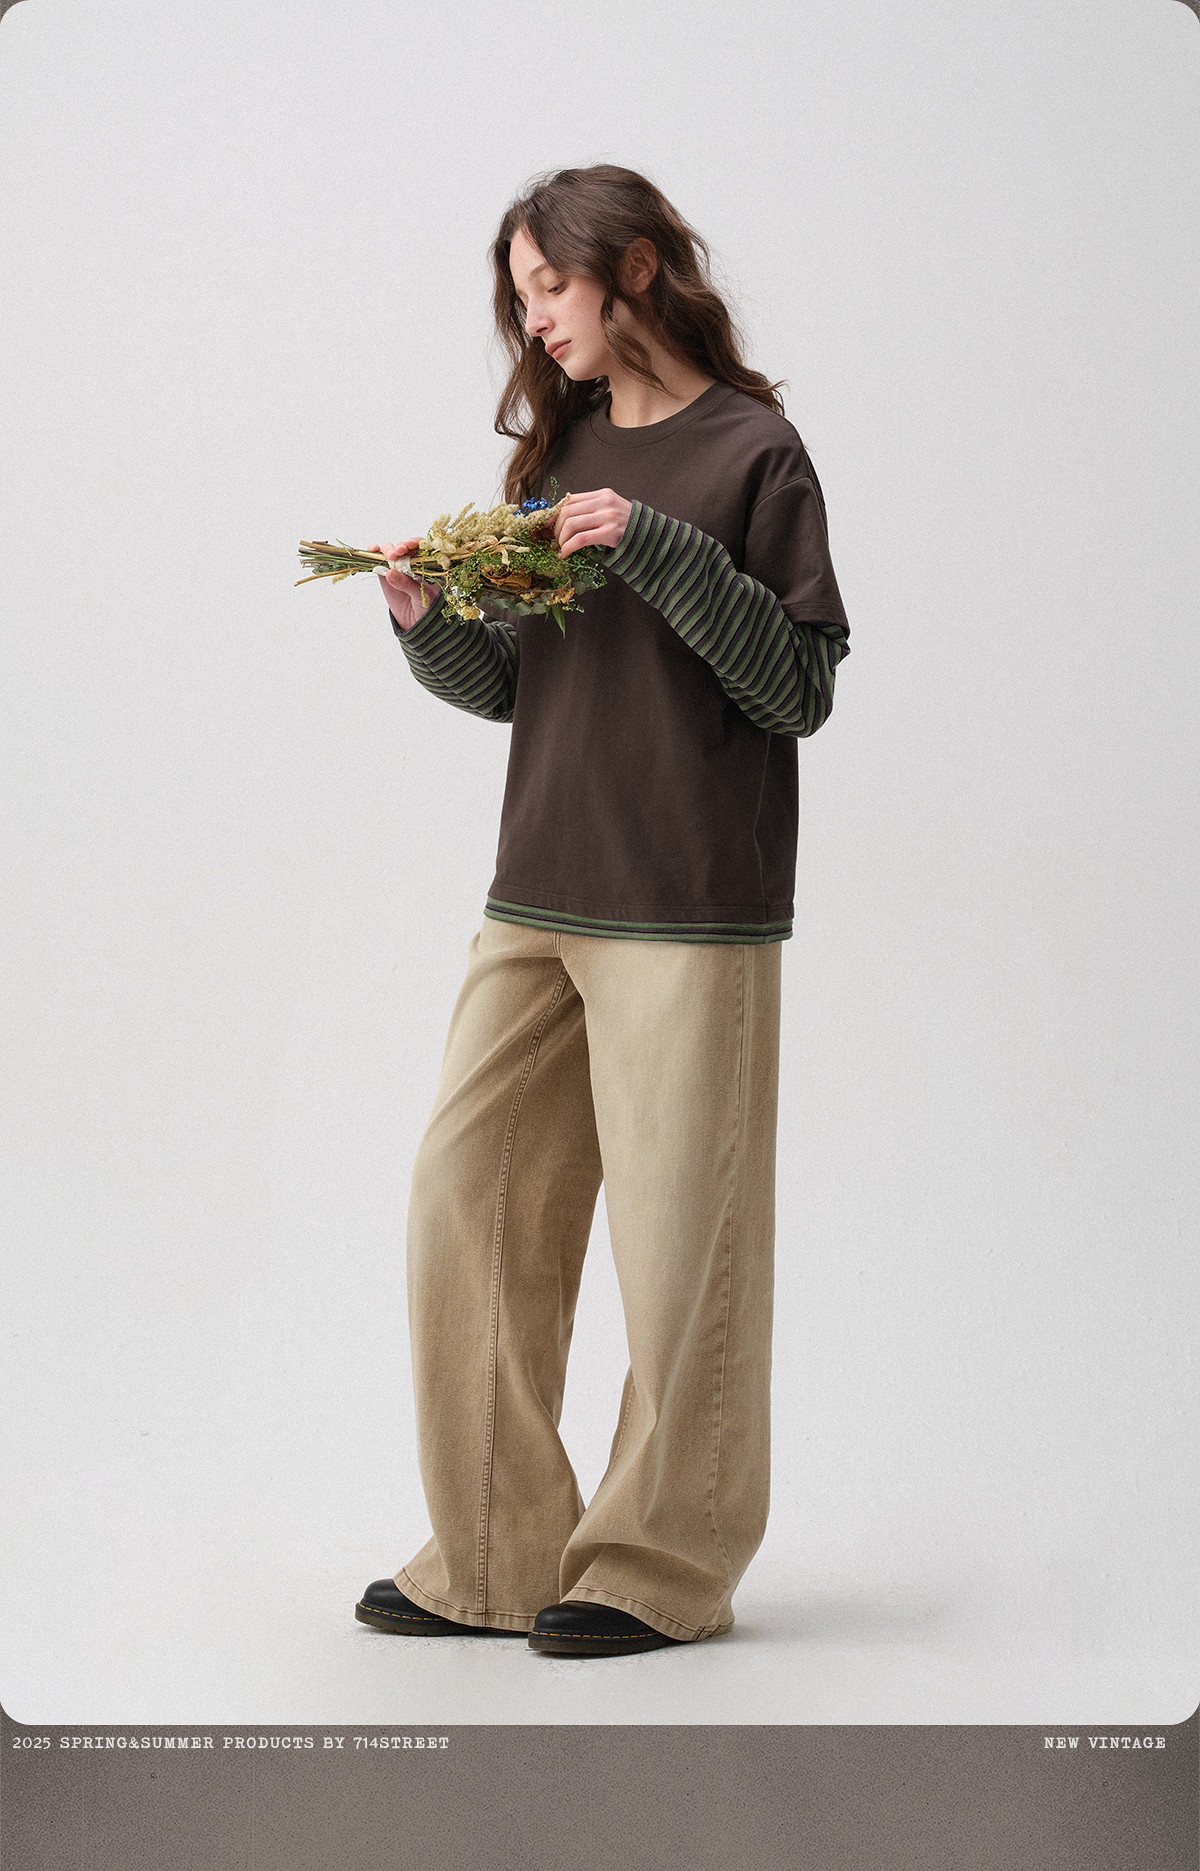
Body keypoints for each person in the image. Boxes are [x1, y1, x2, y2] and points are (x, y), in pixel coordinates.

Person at [354, 163, 850, 1657]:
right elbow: (531, 685)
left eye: (549, 288)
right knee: (465, 1198)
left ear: (634, 269)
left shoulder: (755, 454)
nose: (535, 322)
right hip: (537, 893)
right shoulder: (560, 449)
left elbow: (797, 688)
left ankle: (659, 1565)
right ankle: (495, 1552)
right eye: (520, 300)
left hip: (689, 906)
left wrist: (657, 547)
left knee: (682, 1246)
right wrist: (431, 627)